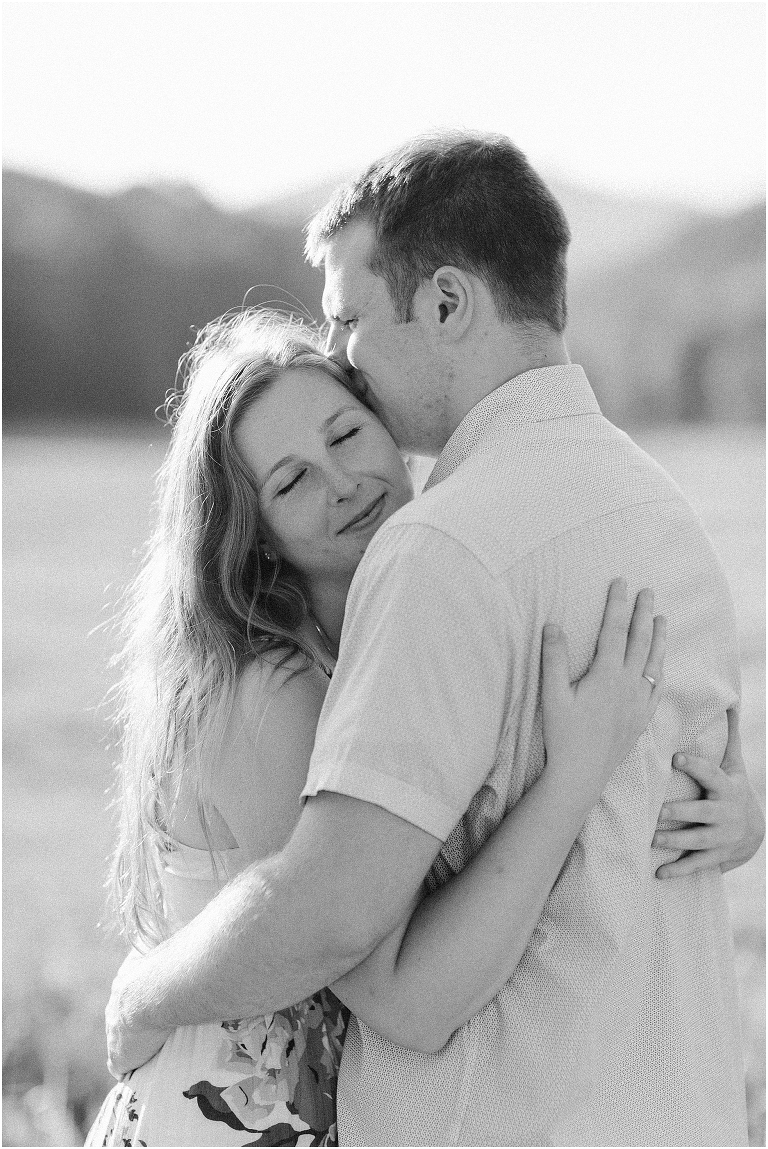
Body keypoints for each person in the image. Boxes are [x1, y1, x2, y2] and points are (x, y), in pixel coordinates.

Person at [106, 134, 764, 1147]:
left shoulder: (443, 547)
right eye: (290, 480)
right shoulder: (660, 511)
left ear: (448, 304)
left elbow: (352, 938)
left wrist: (146, 991)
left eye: (350, 321)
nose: (343, 360)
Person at [87, 309, 670, 1146]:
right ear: (251, 539)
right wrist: (576, 775)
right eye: (290, 482)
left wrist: (718, 807)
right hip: (223, 1121)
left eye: (346, 434)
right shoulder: (272, 689)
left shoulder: (380, 643)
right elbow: (404, 993)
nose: (344, 481)